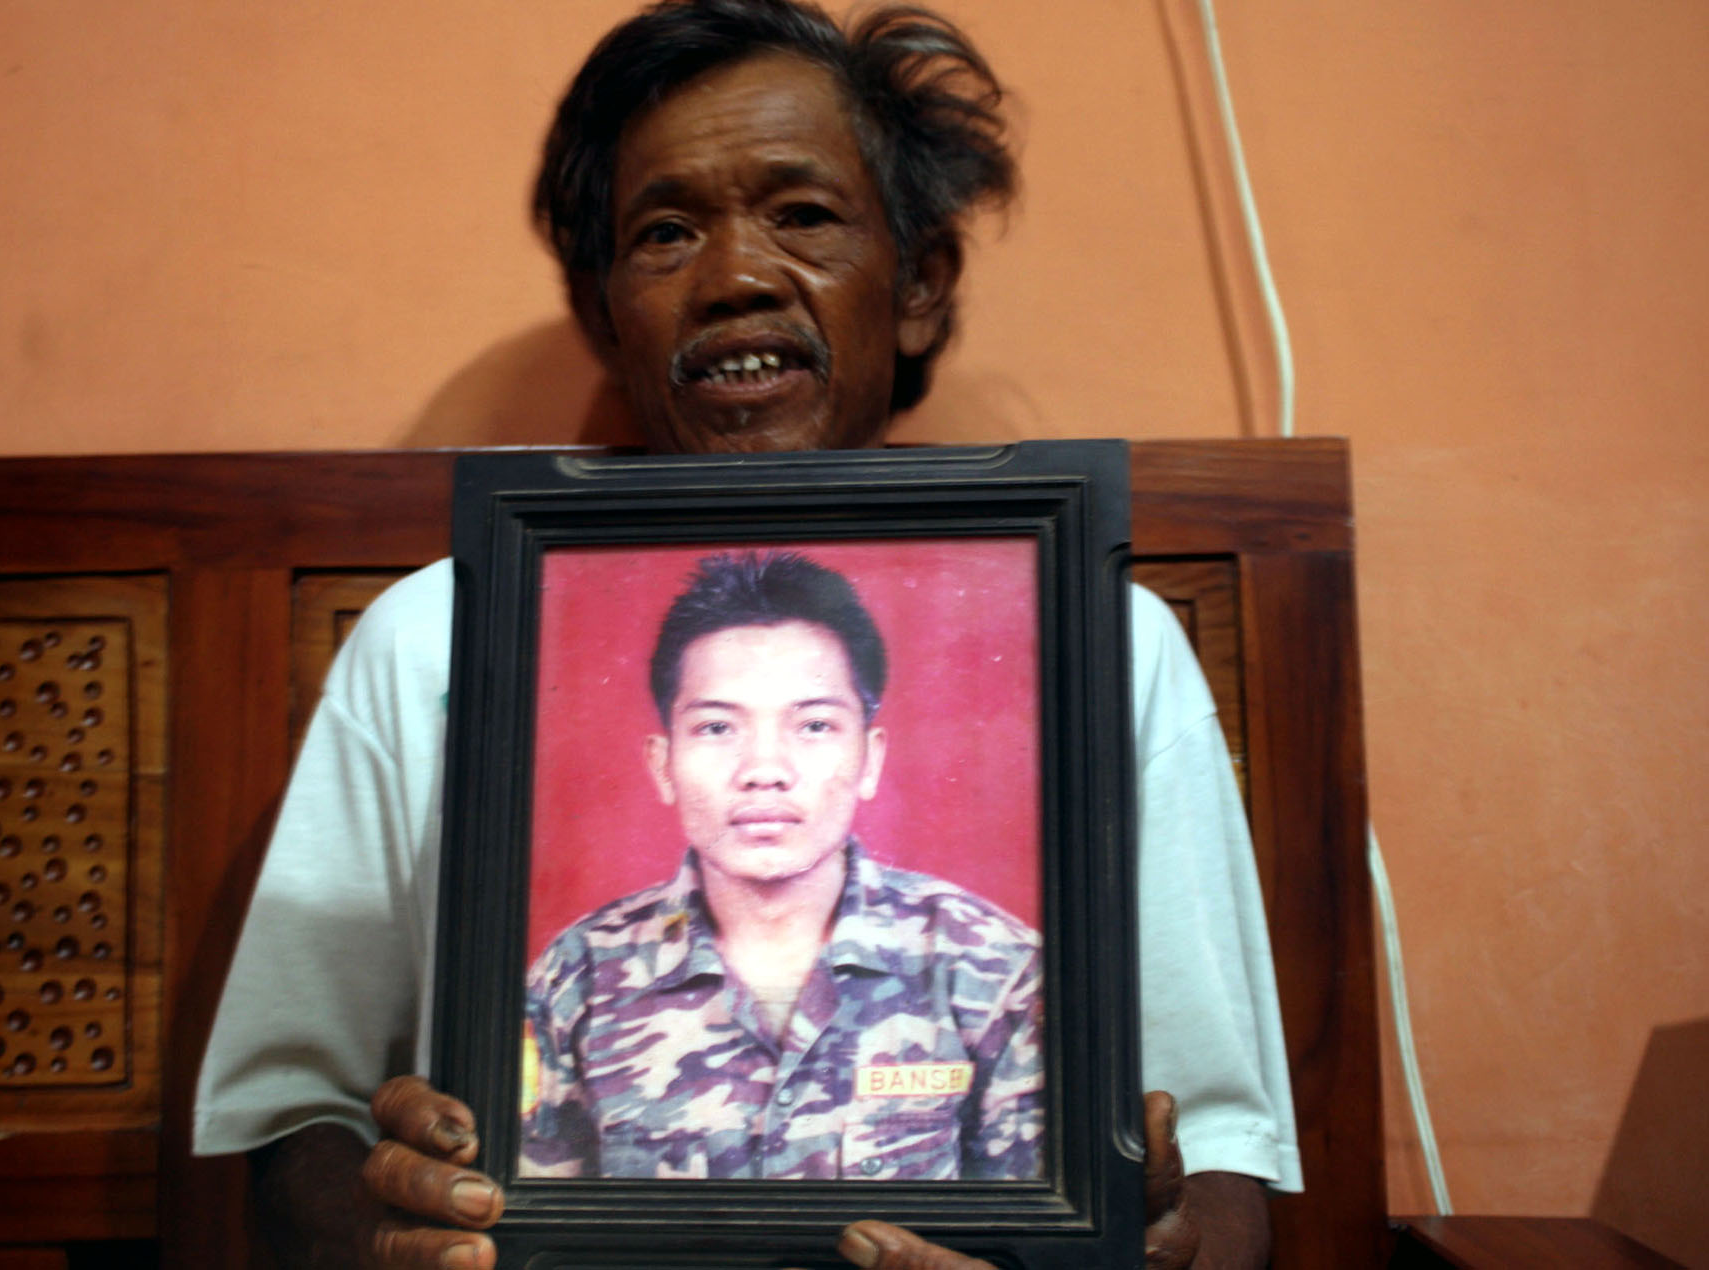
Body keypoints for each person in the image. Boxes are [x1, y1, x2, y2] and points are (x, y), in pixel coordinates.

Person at [192, 0, 1299, 1266]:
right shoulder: (431, 640)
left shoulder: (1105, 644)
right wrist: (390, 1213)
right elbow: (297, 1123)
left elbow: (1216, 1162)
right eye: (665, 232)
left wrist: (1137, 1245)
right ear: (608, 311)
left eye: (804, 215)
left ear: (920, 285)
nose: (734, 277)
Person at [522, 550, 1043, 1181]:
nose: (764, 770)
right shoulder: (576, 976)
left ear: (871, 758)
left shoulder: (993, 971)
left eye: (815, 725)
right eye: (717, 728)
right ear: (663, 764)